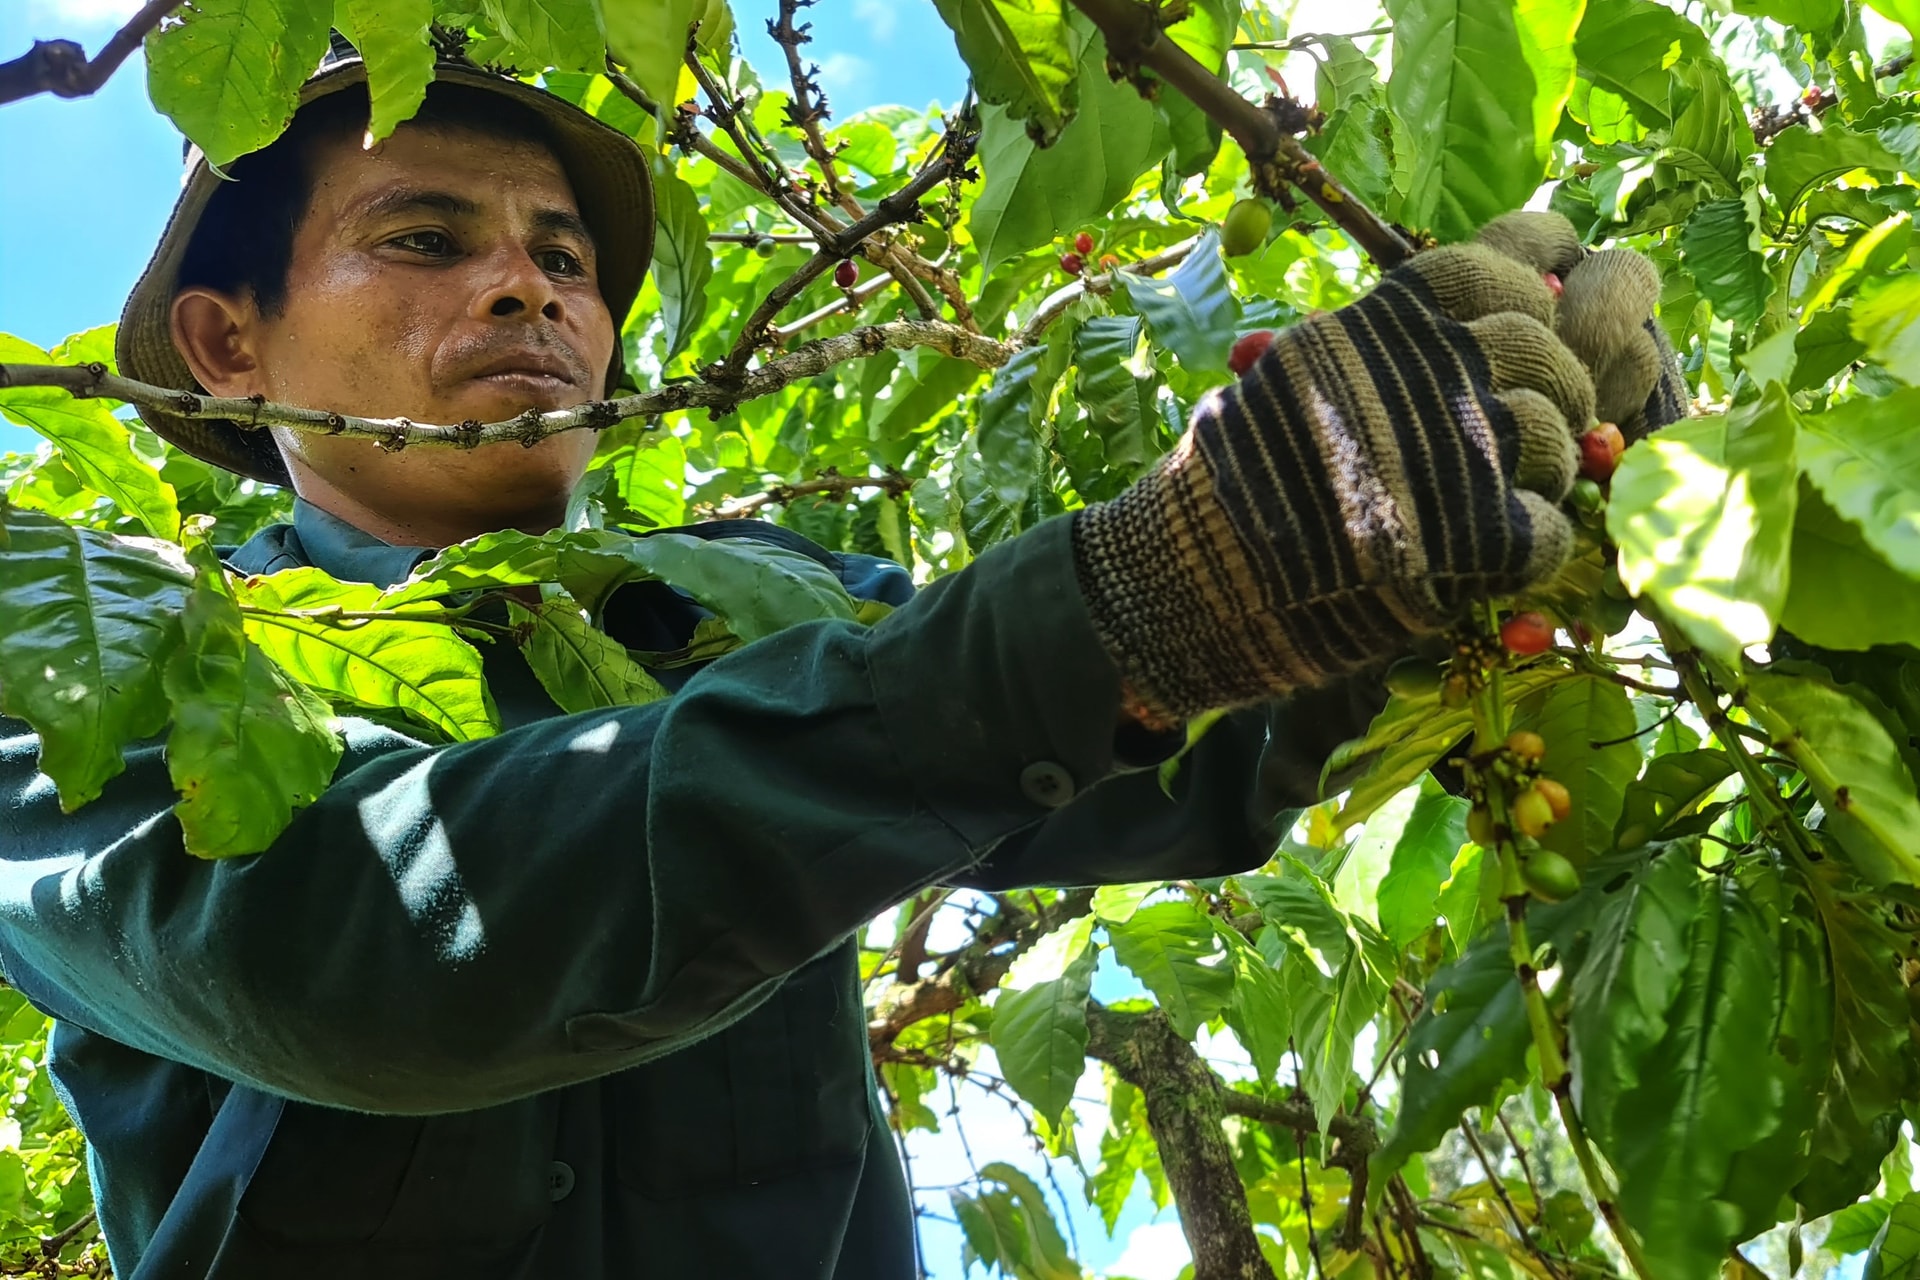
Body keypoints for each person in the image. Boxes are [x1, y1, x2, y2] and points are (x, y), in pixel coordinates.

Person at [0, 40, 1680, 1280]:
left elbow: (1152, 737)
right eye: (427, 240)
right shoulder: (93, 666)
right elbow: (349, 948)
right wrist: (1132, 600)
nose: (530, 292)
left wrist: (1453, 543)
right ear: (230, 343)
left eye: (565, 261)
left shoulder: (757, 599)